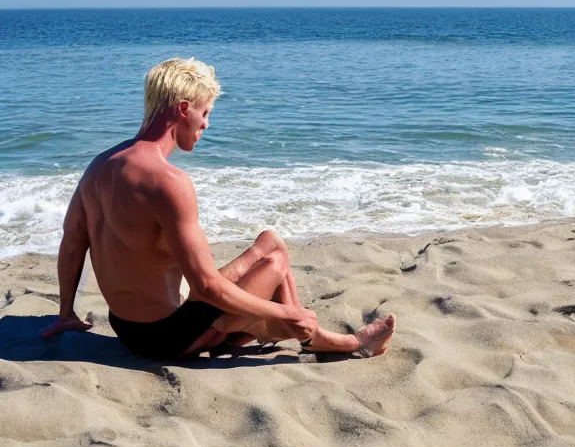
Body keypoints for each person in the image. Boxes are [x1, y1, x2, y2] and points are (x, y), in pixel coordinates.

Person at [40, 57, 395, 360]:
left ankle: (288, 330)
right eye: (205, 112)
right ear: (183, 109)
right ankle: (329, 339)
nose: (206, 124)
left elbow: (72, 243)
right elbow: (207, 288)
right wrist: (286, 310)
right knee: (275, 263)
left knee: (271, 240)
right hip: (165, 338)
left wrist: (66, 313)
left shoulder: (99, 166)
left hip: (124, 326)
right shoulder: (168, 181)